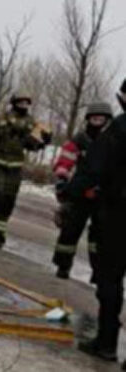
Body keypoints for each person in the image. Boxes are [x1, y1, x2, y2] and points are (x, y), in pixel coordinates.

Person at [78, 79, 126, 363]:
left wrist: (72, 193)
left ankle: (106, 343)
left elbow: (93, 168)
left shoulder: (118, 129)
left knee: (110, 281)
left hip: (118, 218)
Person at [0, 91, 51, 248]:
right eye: (20, 102)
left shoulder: (31, 123)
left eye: (26, 103)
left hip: (15, 167)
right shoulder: (0, 118)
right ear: (14, 103)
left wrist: (43, 141)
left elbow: (34, 145)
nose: (23, 106)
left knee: (8, 200)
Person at [52, 102, 115, 280]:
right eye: (94, 119)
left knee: (99, 237)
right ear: (88, 120)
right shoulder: (80, 139)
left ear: (108, 121)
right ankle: (63, 266)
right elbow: (65, 160)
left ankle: (98, 272)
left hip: (103, 195)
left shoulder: (113, 141)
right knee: (69, 230)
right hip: (79, 193)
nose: (97, 122)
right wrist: (62, 180)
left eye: (101, 119)